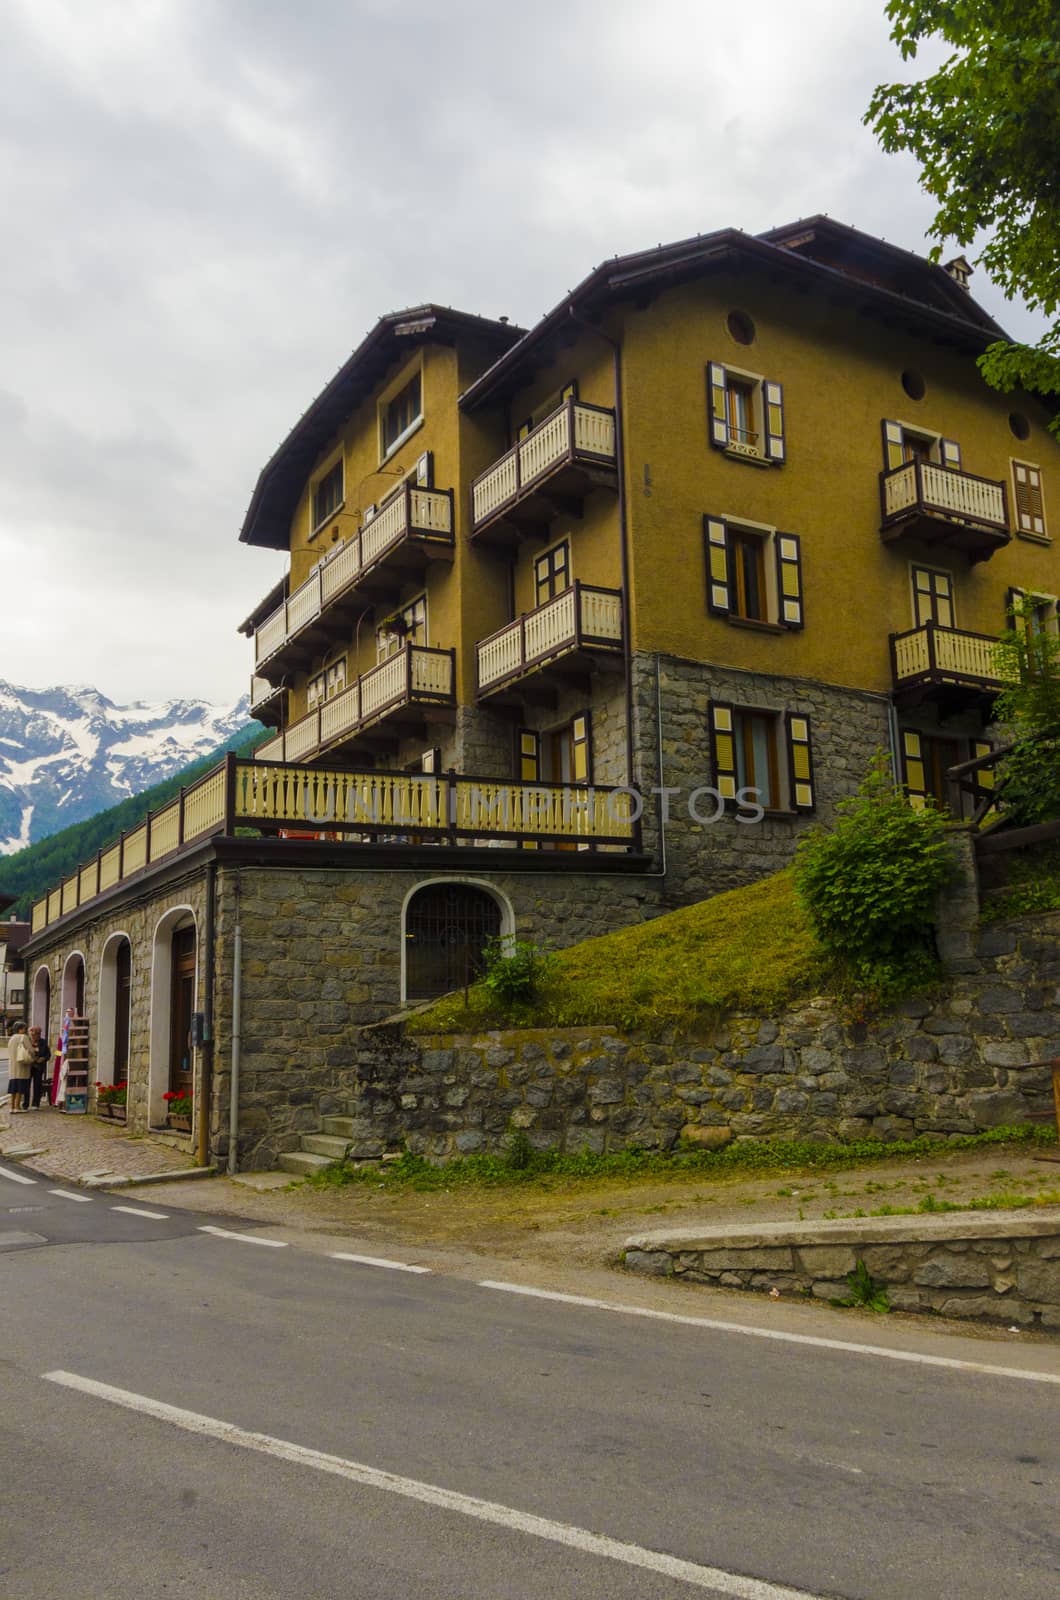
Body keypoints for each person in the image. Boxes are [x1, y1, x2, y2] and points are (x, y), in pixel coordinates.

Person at [6, 1023, 32, 1113]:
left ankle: (12, 1107)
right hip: (22, 1066)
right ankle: (17, 1107)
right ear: (20, 1029)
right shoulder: (23, 1037)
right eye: (24, 1029)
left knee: (13, 1088)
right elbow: (30, 1050)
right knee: (20, 1088)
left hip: (13, 1066)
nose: (25, 1030)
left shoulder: (11, 1038)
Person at [27, 1027, 50, 1110]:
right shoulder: (27, 1042)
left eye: (38, 1034)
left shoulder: (43, 1042)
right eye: (34, 1034)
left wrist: (43, 1058)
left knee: (37, 1085)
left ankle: (35, 1104)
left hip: (39, 1067)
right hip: (28, 1066)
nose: (36, 1036)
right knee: (27, 1085)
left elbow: (48, 1054)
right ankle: (25, 1104)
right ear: (31, 1034)